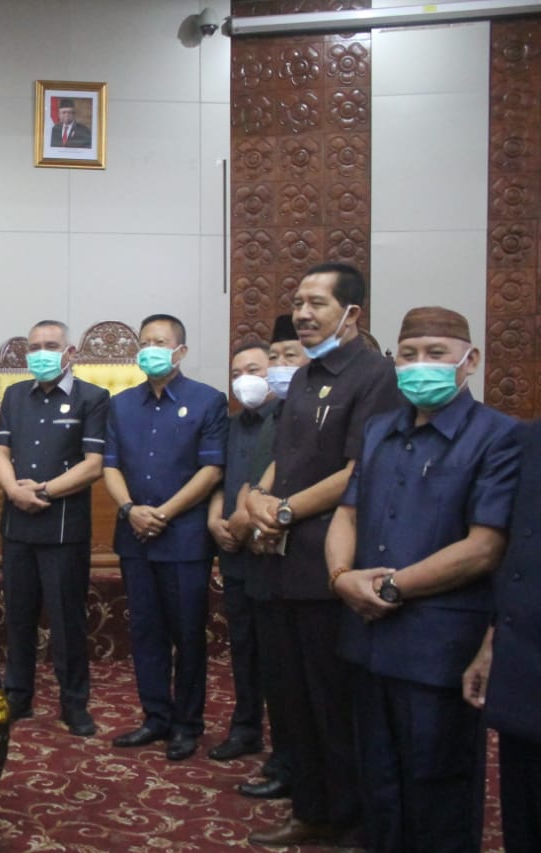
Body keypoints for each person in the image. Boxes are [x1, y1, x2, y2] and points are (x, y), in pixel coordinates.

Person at [324, 306, 520, 852]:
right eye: (408, 355)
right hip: (366, 638)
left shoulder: (501, 437)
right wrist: (340, 578)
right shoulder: (379, 429)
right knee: (378, 782)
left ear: (469, 361)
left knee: (438, 788)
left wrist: (391, 588)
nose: (420, 365)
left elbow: (485, 547)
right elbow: (347, 514)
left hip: (439, 648)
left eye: (436, 354)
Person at [246, 263, 404, 847]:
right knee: (293, 700)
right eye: (298, 303)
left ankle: (350, 821)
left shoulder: (375, 376)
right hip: (282, 563)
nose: (303, 314)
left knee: (335, 702)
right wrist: (260, 502)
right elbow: (284, 458)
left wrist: (285, 511)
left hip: (330, 566)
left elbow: (360, 470)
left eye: (317, 303)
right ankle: (310, 809)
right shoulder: (305, 376)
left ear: (351, 313)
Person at [105, 314, 227, 761]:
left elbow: (212, 469)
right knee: (145, 632)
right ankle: (155, 716)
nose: (150, 350)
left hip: (185, 540)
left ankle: (187, 724)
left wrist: (165, 513)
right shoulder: (120, 404)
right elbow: (110, 466)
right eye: (145, 343)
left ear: (181, 351)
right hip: (134, 536)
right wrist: (129, 510)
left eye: (160, 342)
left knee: (188, 634)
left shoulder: (208, 401)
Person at [0, 320, 109, 737]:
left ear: (70, 352)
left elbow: (93, 465)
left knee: (66, 621)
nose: (41, 353)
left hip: (63, 529)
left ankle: (73, 702)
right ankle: (18, 695)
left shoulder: (93, 398)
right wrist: (13, 490)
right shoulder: (14, 395)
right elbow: (0, 451)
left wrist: (42, 490)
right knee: (18, 618)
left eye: (51, 345)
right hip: (17, 525)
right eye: (35, 347)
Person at [235, 313, 306, 800]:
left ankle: (299, 766)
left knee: (298, 677)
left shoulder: (312, 415)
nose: (279, 366)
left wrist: (263, 513)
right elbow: (253, 479)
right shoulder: (272, 416)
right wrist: (247, 513)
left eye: (288, 357)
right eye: (274, 357)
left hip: (298, 559)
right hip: (260, 558)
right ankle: (283, 759)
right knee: (275, 671)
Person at [464, 419, 541, 853]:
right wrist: (492, 643)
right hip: (524, 661)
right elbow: (514, 552)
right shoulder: (528, 439)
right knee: (522, 811)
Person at [205, 340, 277, 765]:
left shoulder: (287, 422)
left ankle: (286, 745)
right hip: (234, 554)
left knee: (277, 655)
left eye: (254, 370)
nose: (244, 380)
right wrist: (216, 519)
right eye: (236, 374)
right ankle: (245, 727)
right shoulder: (230, 425)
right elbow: (219, 478)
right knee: (244, 647)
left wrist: (247, 519)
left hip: (272, 553)